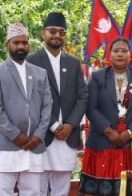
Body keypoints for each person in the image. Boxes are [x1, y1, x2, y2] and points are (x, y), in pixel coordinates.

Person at [80, 37, 132, 195]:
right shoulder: (98, 77)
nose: (120, 54)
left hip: (131, 145)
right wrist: (108, 130)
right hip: (102, 143)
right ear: (109, 55)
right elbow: (91, 108)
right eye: (116, 50)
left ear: (130, 55)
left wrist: (129, 132)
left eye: (124, 50)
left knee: (129, 191)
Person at [26, 12, 88, 196]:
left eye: (61, 32)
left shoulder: (73, 63)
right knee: (38, 187)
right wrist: (53, 125)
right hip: (43, 134)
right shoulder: (31, 61)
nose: (57, 36)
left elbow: (82, 96)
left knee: (62, 188)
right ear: (43, 33)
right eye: (52, 31)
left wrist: (70, 124)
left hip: (67, 135)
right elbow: (31, 98)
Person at [0, 23, 52, 196]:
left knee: (34, 192)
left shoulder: (40, 73)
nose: (21, 46)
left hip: (34, 145)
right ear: (7, 45)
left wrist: (38, 135)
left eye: (24, 42)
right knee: (3, 191)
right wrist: (16, 135)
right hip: (7, 145)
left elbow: (47, 106)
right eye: (16, 43)